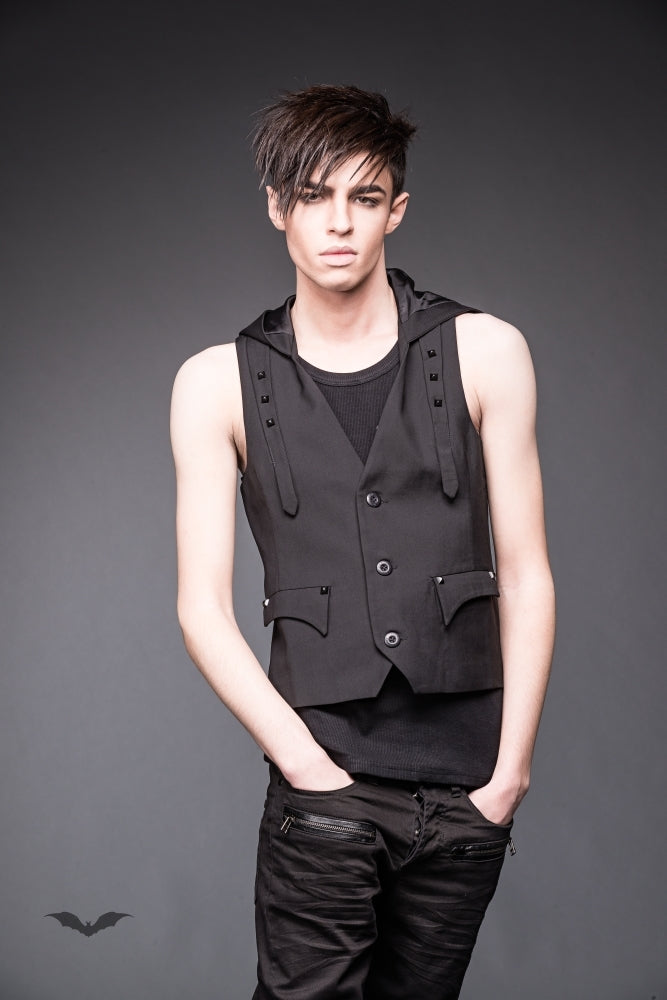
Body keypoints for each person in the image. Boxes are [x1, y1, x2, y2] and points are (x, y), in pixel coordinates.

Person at [170, 84, 556, 1000]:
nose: (339, 222)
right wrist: (304, 765)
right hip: (324, 784)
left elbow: (527, 574)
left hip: (467, 788)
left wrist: (508, 775)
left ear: (397, 210)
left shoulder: (486, 350)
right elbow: (200, 606)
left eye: (364, 196)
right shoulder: (215, 382)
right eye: (313, 196)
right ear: (277, 207)